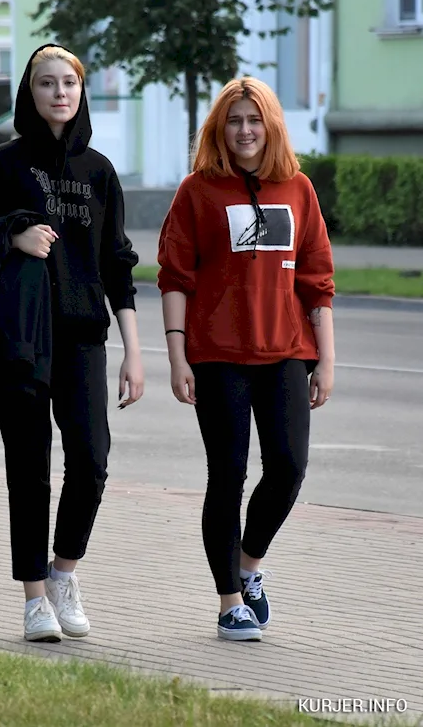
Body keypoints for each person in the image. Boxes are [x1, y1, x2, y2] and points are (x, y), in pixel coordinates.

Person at [0, 44, 144, 642]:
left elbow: (118, 263)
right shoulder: (2, 165)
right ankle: (33, 598)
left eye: (69, 84)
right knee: (28, 468)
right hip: (23, 341)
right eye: (46, 84)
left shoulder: (100, 171)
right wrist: (14, 234)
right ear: (29, 94)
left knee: (91, 460)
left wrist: (134, 351)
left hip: (84, 336)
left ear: (82, 93)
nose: (60, 93)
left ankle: (63, 574)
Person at [156, 76, 336, 642]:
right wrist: (176, 355)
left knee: (287, 468)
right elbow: (174, 276)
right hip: (217, 356)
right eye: (233, 120)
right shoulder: (197, 190)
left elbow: (318, 283)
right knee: (228, 474)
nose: (244, 130)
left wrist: (326, 360)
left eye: (253, 119)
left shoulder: (298, 189)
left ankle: (249, 564)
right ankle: (228, 601)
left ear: (271, 125)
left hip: (286, 351)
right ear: (219, 128)